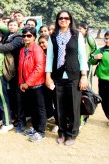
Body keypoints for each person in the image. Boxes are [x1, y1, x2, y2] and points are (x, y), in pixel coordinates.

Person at [45, 9, 88, 146]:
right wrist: (48, 76)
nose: (63, 20)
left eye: (66, 18)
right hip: (57, 76)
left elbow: (82, 56)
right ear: (57, 21)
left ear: (70, 20)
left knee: (74, 107)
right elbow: (50, 57)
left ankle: (72, 133)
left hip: (74, 75)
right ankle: (62, 132)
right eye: (60, 18)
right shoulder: (53, 36)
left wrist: (84, 76)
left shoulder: (77, 35)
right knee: (59, 106)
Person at [0, 19, 24, 133]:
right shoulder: (5, 39)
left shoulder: (13, 41)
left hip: (3, 75)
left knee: (3, 99)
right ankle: (1, 118)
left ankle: (8, 122)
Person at [18, 27, 47, 142]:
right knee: (33, 109)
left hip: (37, 84)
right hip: (27, 85)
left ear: (34, 37)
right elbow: (20, 68)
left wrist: (28, 82)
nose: (26, 38)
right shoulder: (22, 50)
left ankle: (41, 132)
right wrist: (22, 83)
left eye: (29, 35)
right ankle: (35, 128)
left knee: (40, 109)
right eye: (24, 36)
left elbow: (39, 68)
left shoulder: (37, 49)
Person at [89, 31, 109, 125]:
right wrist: (95, 58)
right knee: (104, 100)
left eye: (108, 38)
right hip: (102, 80)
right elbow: (91, 61)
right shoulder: (101, 50)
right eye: (106, 38)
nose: (107, 40)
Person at [78, 23, 97, 88]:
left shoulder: (89, 38)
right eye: (78, 29)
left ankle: (90, 95)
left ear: (85, 29)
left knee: (88, 79)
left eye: (80, 29)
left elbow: (95, 48)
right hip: (81, 61)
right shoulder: (80, 38)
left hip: (88, 61)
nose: (79, 30)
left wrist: (91, 55)